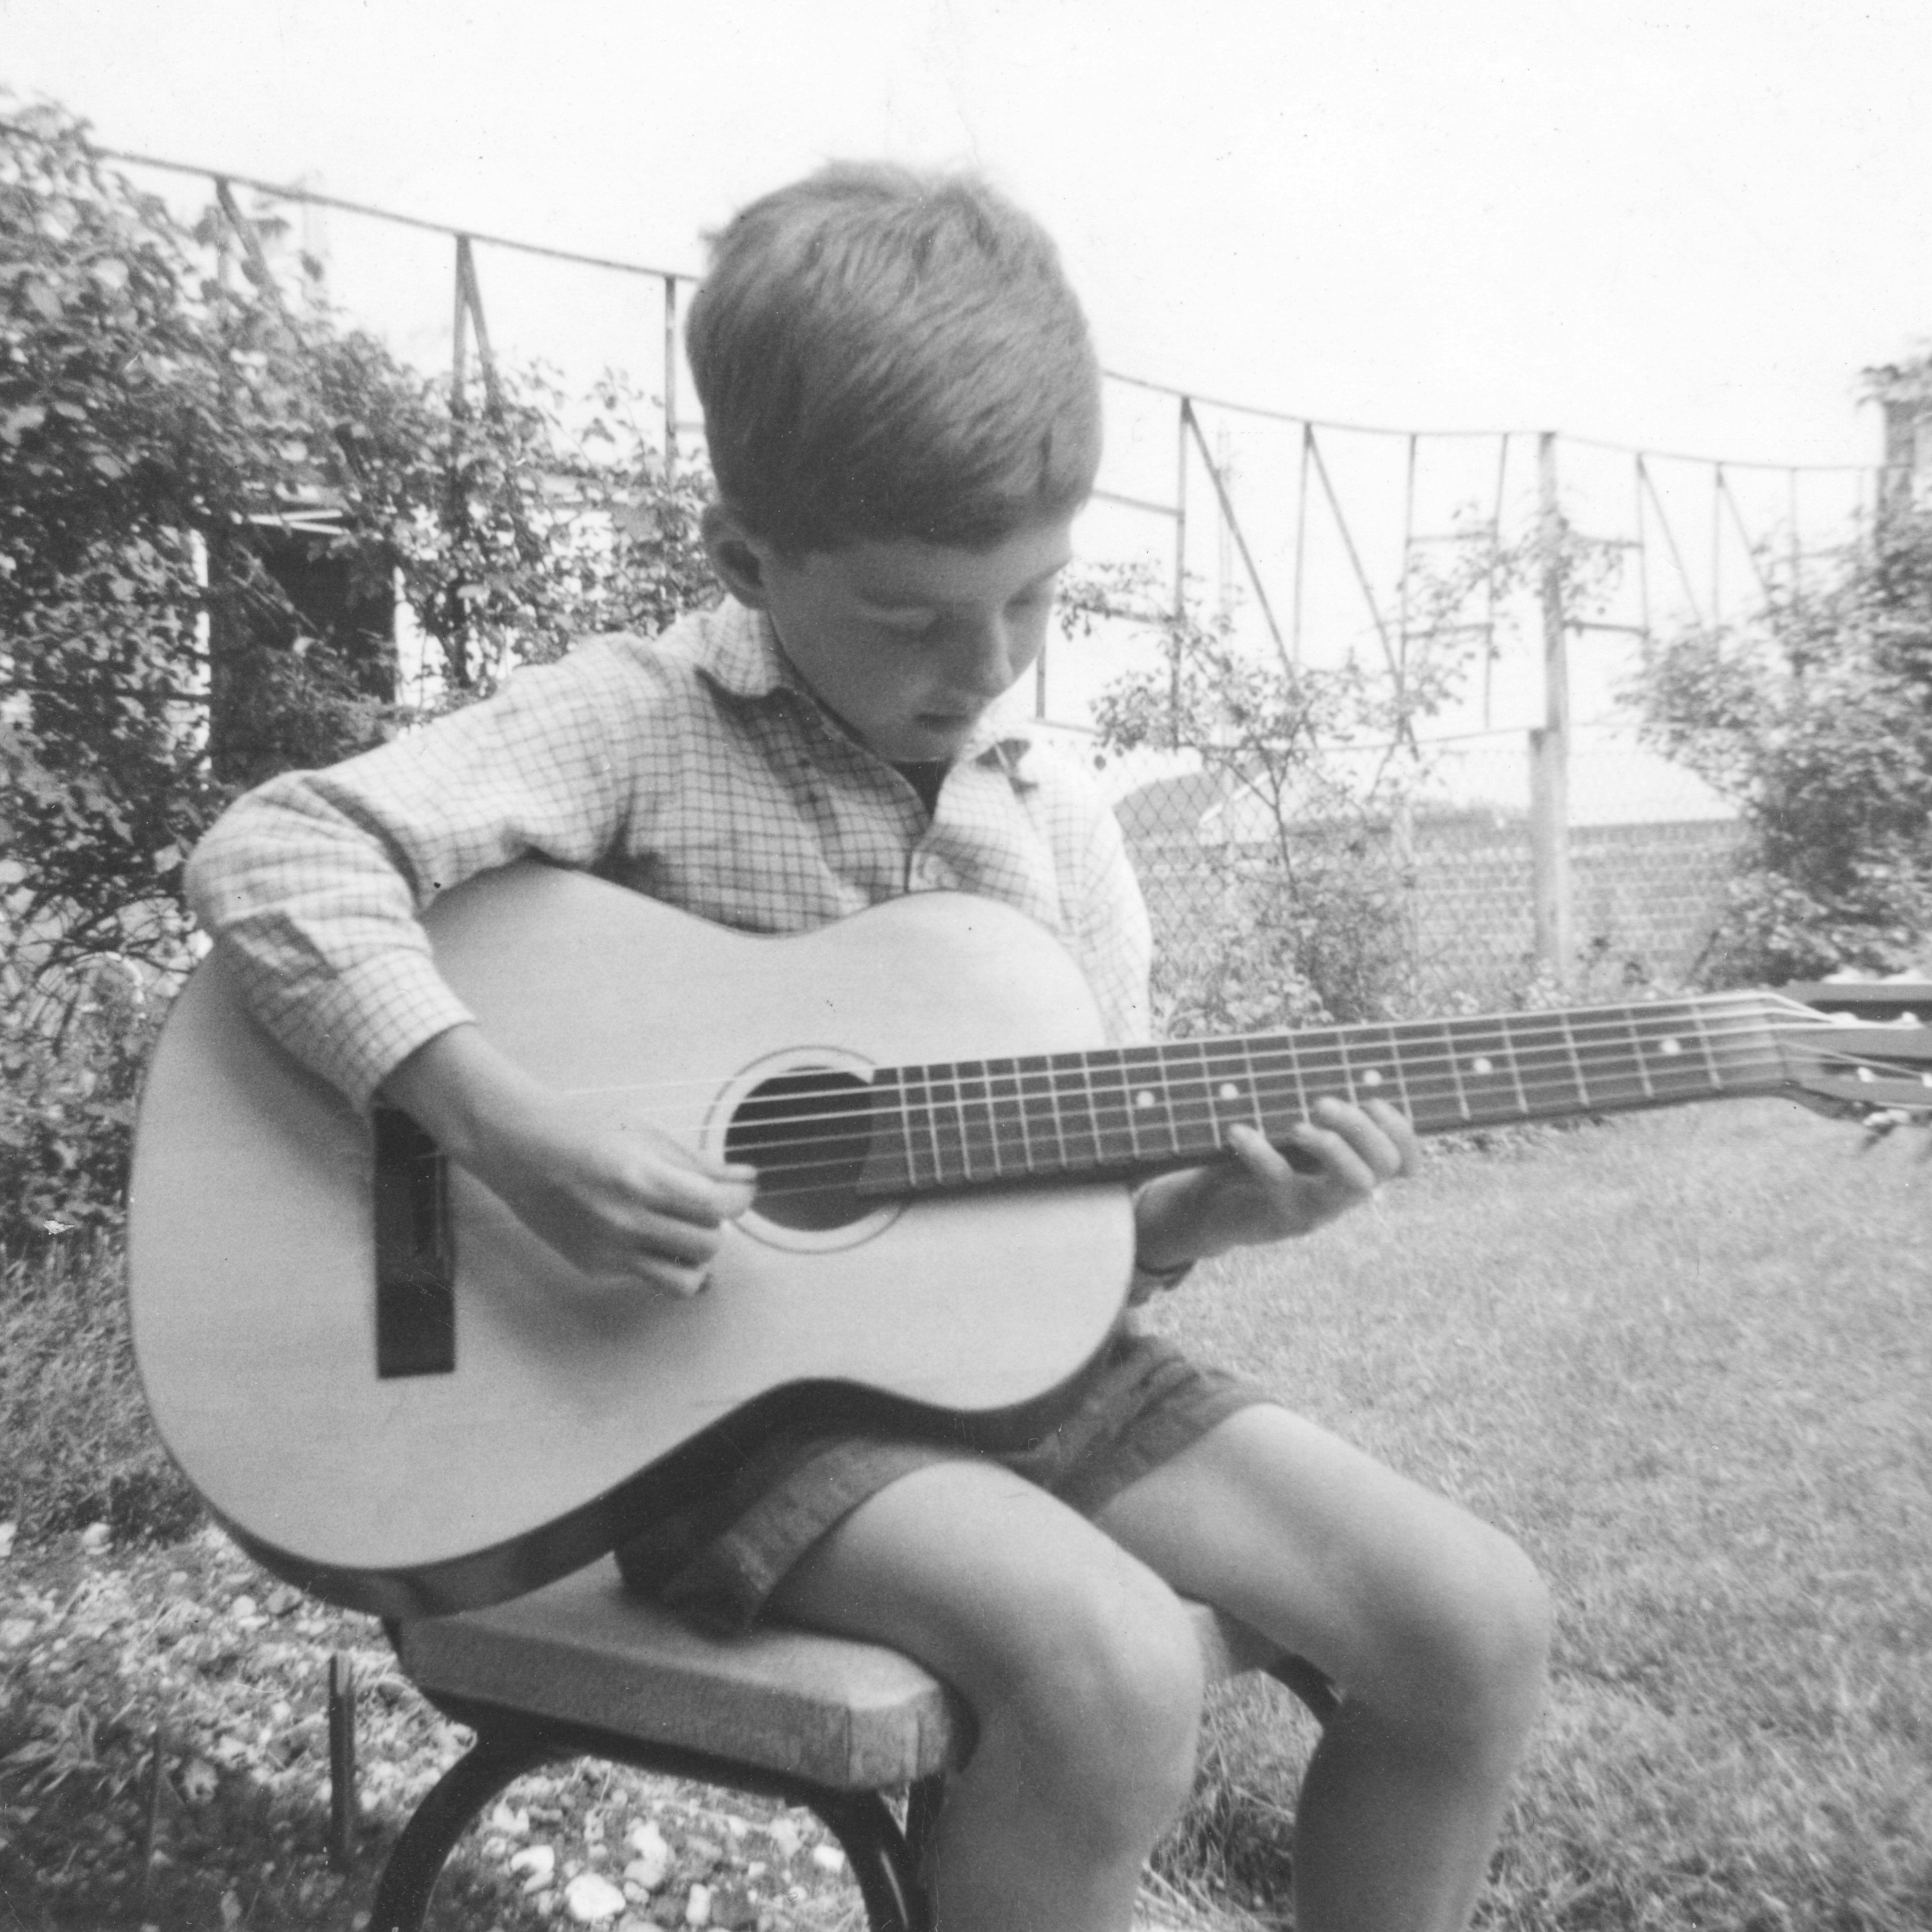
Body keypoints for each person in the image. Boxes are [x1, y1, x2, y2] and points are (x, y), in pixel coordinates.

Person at [186, 161, 1550, 1932]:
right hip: (708, 1417)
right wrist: (503, 1126)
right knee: (1113, 1672)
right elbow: (278, 853)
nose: (985, 665)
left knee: (1475, 1624)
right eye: (913, 617)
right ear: (746, 557)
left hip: (1023, 1388)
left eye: (1034, 600)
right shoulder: (639, 723)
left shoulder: (1052, 825)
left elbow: (1069, 1244)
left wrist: (1202, 1215)